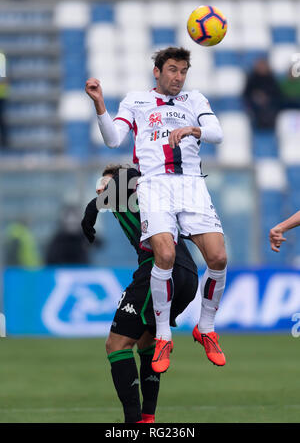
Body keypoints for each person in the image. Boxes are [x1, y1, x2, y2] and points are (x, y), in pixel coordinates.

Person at [85, 46, 227, 374]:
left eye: (183, 71)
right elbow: (113, 139)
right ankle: (163, 336)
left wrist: (194, 130)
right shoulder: (136, 101)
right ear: (158, 72)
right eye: (173, 70)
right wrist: (99, 104)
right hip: (155, 185)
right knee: (164, 254)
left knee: (218, 258)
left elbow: (217, 134)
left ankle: (205, 328)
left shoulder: (196, 101)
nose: (178, 77)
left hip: (192, 184)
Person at [81, 164, 199, 423]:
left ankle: (132, 423)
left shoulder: (136, 183)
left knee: (116, 345)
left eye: (106, 183)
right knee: (146, 342)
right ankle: (148, 419)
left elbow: (132, 175)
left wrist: (92, 208)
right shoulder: (124, 201)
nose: (102, 189)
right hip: (187, 274)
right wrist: (98, 206)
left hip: (159, 267)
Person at [243, 57, 283, 130]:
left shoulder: (271, 78)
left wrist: (266, 97)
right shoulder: (252, 78)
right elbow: (246, 93)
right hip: (255, 104)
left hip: (270, 103)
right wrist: (256, 96)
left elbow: (277, 92)